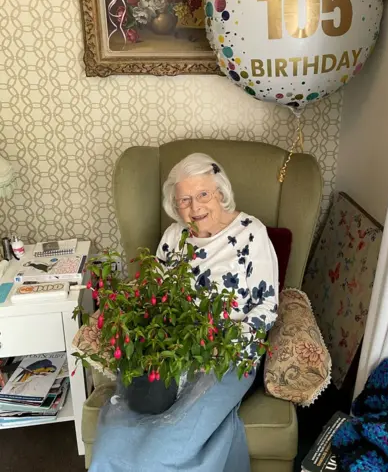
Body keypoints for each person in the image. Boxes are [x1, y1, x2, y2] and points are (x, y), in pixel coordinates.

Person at [89, 153, 279, 472]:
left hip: (229, 354)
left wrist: (220, 345)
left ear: (220, 191)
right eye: (184, 200)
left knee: (173, 440)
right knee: (120, 429)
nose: (195, 207)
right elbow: (156, 296)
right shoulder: (174, 237)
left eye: (203, 194)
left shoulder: (251, 233)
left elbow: (267, 308)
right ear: (175, 206)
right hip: (174, 350)